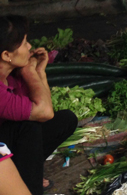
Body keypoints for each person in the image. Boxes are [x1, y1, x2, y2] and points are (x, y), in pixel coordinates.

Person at [0, 16, 78, 195]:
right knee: (28, 126)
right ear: (6, 55)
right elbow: (43, 112)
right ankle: (31, 188)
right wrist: (29, 71)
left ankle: (26, 174)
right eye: (24, 43)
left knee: (66, 119)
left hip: (7, 142)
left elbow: (47, 110)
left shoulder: (12, 76)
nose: (29, 47)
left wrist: (39, 72)